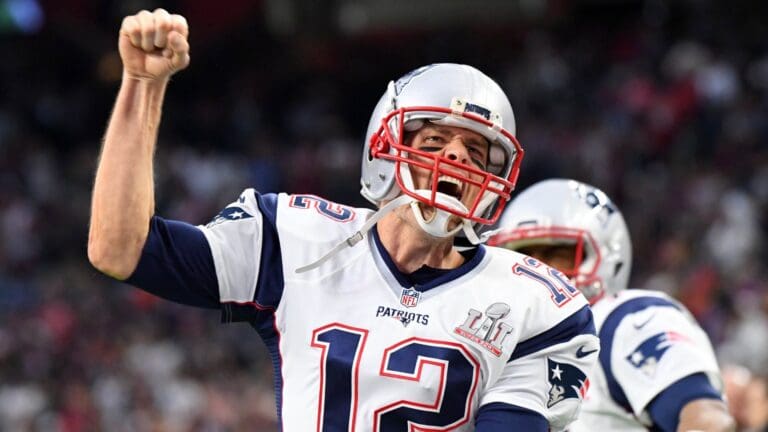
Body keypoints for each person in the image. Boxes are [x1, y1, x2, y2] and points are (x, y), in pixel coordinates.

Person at [88, 9, 600, 431]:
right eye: (434, 142)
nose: (456, 159)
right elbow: (119, 249)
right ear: (385, 150)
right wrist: (141, 85)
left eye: (475, 152)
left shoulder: (535, 305)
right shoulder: (295, 237)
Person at [489, 178, 736, 432]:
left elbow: (706, 419)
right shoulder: (492, 343)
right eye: (522, 257)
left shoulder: (625, 321)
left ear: (607, 258)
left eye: (557, 255)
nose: (537, 271)